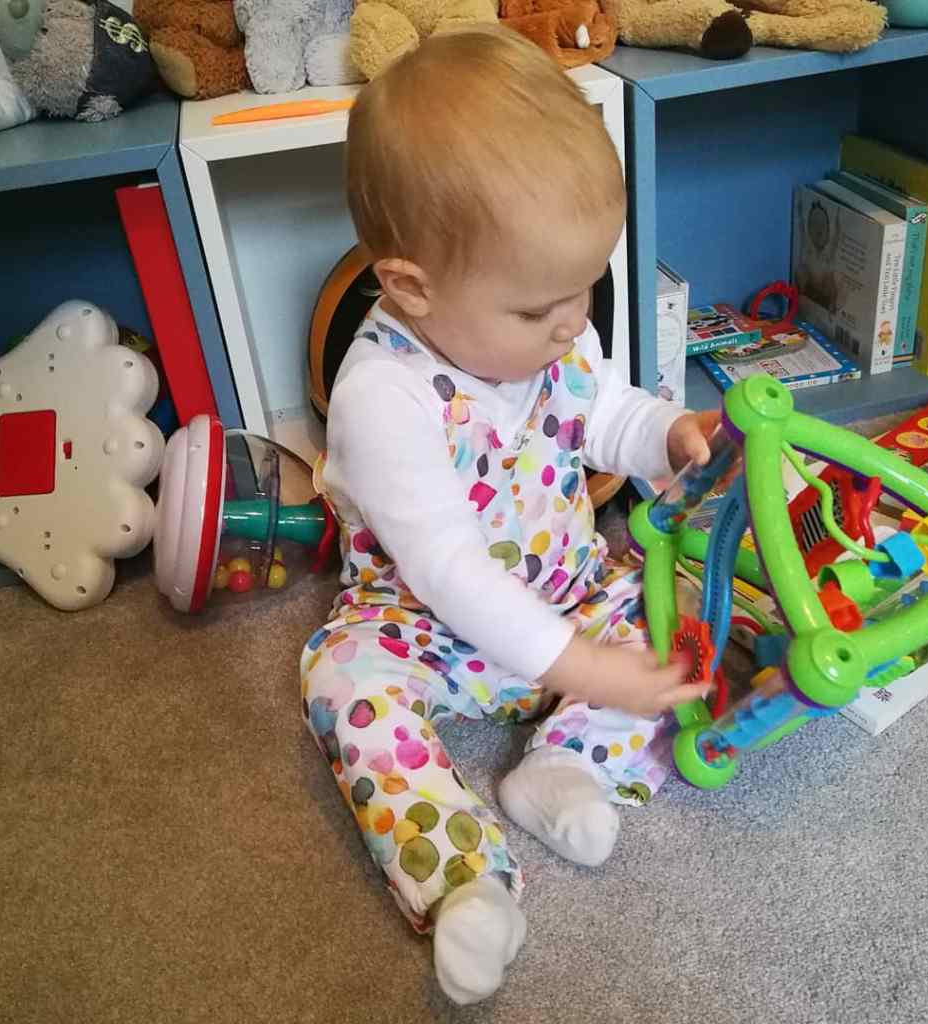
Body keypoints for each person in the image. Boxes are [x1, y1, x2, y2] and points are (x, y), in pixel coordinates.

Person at [301, 25, 717, 1005]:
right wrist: (579, 667)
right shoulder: (381, 394)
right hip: (423, 624)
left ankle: (565, 768)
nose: (572, 323)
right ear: (411, 287)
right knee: (341, 682)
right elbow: (449, 571)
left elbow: (603, 412)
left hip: (569, 587)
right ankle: (463, 879)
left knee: (683, 625)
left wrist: (668, 434)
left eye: (584, 289)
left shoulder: (557, 328)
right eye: (537, 310)